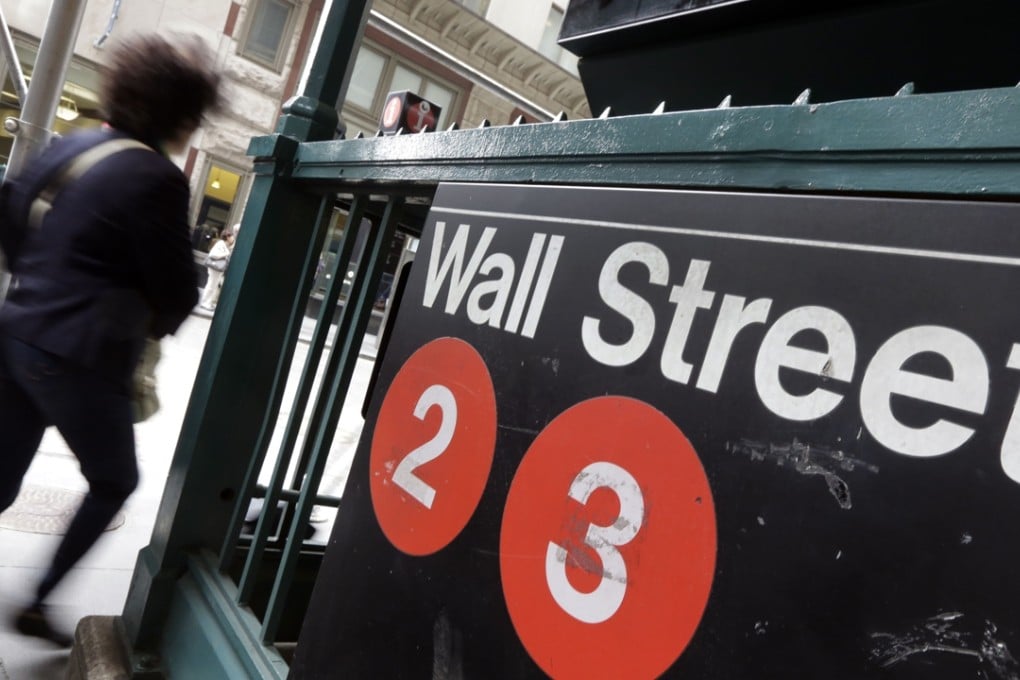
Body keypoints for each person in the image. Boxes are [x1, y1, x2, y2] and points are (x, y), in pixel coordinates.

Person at [0, 34, 220, 646]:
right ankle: (37, 603)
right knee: (114, 479)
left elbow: (11, 220)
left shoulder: (70, 147)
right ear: (179, 114)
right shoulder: (156, 176)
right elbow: (176, 286)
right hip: (78, 355)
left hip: (15, 333)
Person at [200, 227, 236, 310]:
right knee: (211, 285)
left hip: (218, 269)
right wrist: (225, 254)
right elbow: (213, 254)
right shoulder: (220, 243)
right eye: (232, 236)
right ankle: (204, 302)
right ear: (227, 236)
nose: (233, 238)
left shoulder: (225, 245)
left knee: (214, 285)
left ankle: (208, 302)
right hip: (215, 268)